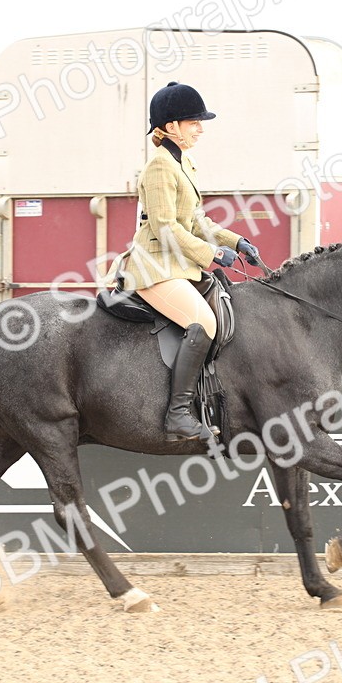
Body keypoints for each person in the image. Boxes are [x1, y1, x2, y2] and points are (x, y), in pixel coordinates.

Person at [116, 81, 260, 443]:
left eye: (199, 121)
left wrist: (236, 242)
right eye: (193, 121)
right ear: (169, 126)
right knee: (203, 321)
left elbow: (197, 222)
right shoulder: (160, 167)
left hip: (178, 265)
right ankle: (178, 413)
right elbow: (165, 229)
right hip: (154, 266)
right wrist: (212, 254)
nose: (200, 127)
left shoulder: (185, 163)